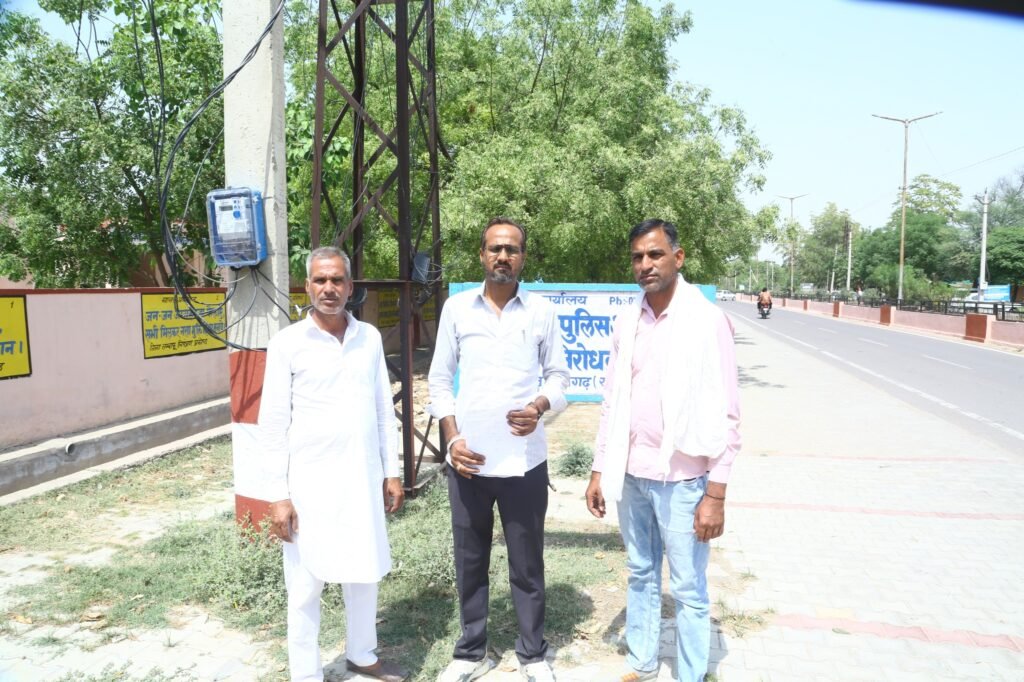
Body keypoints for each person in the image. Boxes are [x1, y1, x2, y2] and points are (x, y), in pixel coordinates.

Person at [585, 219, 740, 682]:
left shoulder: (707, 320)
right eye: (638, 257)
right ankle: (642, 661)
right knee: (641, 572)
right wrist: (598, 469)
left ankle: (691, 674)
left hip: (684, 480)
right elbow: (612, 400)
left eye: (655, 254)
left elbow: (729, 414)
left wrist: (716, 494)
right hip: (632, 475)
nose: (646, 264)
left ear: (678, 257)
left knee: (688, 588)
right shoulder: (628, 321)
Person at [428, 217, 570, 682]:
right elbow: (439, 380)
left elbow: (559, 377)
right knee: (470, 561)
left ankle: (533, 653)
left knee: (527, 564)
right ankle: (471, 653)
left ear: (523, 257)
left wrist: (539, 406)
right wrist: (452, 440)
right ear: (482, 254)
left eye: (512, 249)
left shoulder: (541, 311)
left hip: (524, 462)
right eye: (495, 248)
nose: (503, 256)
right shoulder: (457, 309)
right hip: (468, 461)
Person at [259, 246, 407, 682]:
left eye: (337, 280)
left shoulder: (369, 338)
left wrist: (392, 471)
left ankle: (362, 653)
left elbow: (383, 410)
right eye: (321, 280)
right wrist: (278, 496)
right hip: (310, 485)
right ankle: (306, 674)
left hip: (362, 478)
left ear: (350, 286)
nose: (329, 288)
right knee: (305, 586)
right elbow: (272, 423)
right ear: (307, 286)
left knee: (364, 570)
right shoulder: (287, 344)